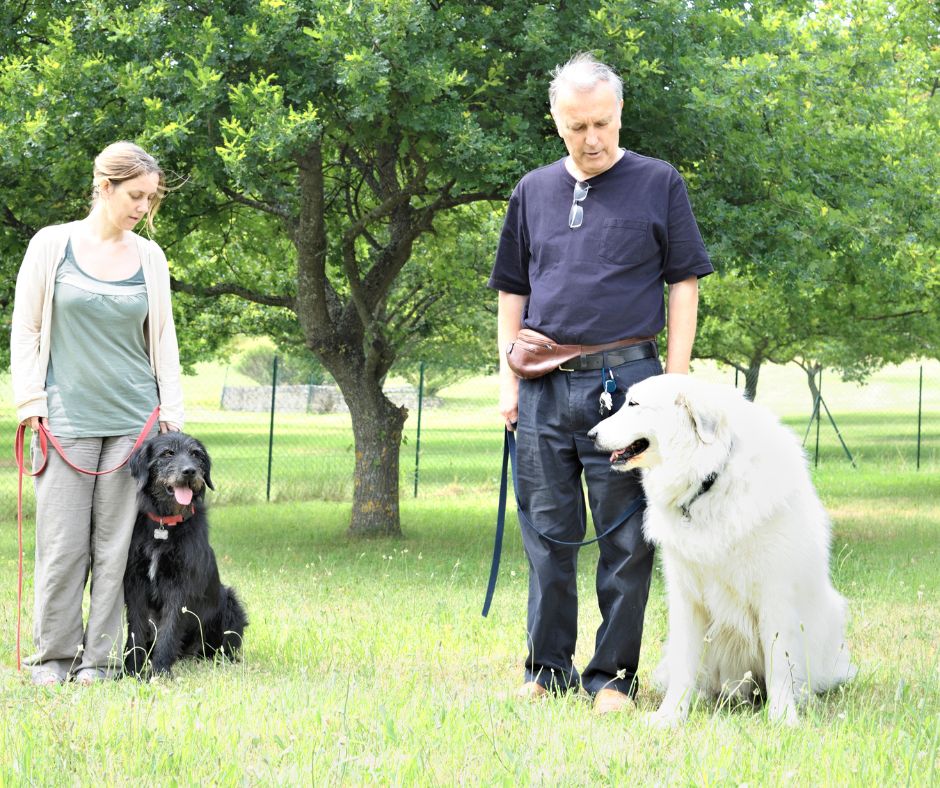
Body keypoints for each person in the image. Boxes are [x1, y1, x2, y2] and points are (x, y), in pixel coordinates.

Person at [489, 53, 713, 713]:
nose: (591, 139)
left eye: (602, 123)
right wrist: (507, 380)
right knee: (548, 534)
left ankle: (613, 676)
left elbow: (684, 282)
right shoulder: (531, 190)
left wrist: (674, 382)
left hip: (630, 385)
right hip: (540, 387)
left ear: (620, 114)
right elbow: (512, 288)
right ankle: (546, 669)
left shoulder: (659, 182)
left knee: (624, 537)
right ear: (556, 122)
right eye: (576, 126)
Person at [11, 141, 185, 685]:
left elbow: (163, 339)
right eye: (135, 196)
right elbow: (27, 329)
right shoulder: (51, 245)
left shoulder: (149, 258)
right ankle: (53, 658)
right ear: (104, 186)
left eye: (150, 199)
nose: (142, 208)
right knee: (62, 548)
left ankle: (99, 662)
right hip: (64, 419)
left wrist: (170, 416)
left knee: (115, 551)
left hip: (136, 421)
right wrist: (31, 402)